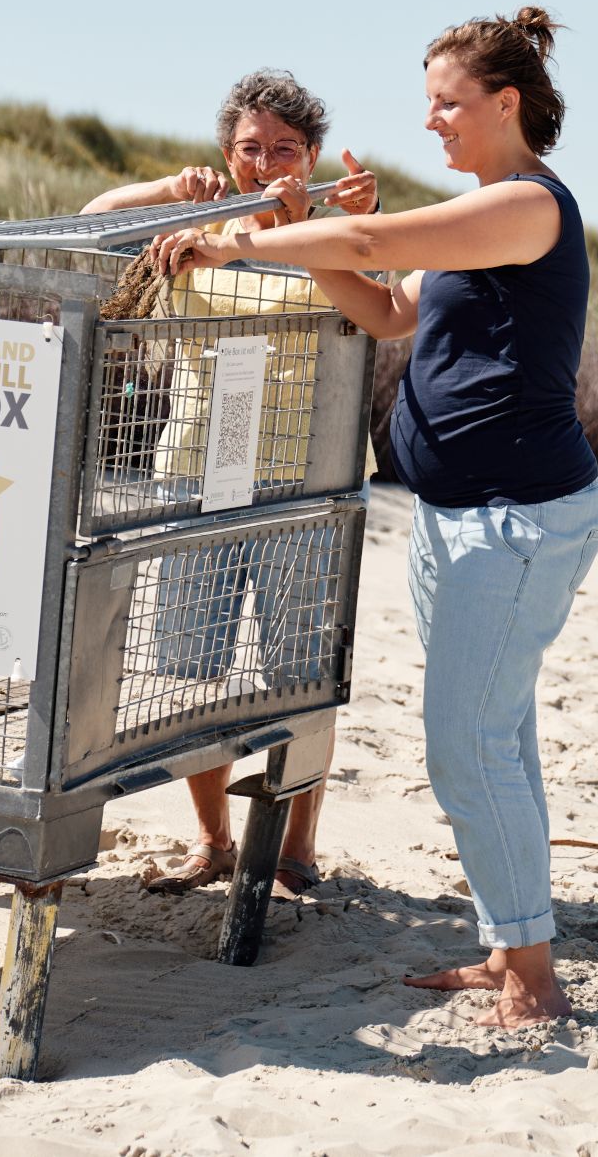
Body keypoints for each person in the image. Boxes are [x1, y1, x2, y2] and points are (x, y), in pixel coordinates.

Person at [159, 6, 598, 1029]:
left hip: (518, 519)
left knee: (466, 747)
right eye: (428, 102)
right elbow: (387, 305)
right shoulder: (479, 208)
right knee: (500, 742)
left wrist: (233, 242)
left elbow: (365, 234)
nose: (432, 121)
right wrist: (286, 243)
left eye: (446, 102)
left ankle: (531, 978)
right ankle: (509, 943)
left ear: (504, 102)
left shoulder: (528, 208)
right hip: (457, 518)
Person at [81, 69, 378, 896]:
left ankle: (293, 850)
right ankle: (213, 842)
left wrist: (348, 221)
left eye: (287, 147)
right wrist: (173, 190)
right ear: (229, 153)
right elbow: (92, 225)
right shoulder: (195, 223)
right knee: (188, 672)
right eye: (253, 147)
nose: (269, 161)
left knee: (303, 674)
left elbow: (385, 307)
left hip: (311, 483)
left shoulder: (343, 231)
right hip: (199, 470)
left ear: (313, 154)